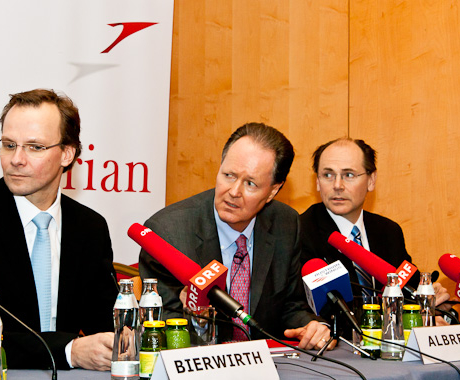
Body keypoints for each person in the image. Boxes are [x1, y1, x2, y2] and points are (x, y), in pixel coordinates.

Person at [0, 89, 118, 370]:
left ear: (67, 153)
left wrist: (120, 338)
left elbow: (103, 322)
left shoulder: (90, 227)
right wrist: (69, 350)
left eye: (35, 147)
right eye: (8, 144)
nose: (16, 159)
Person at [139, 122, 333, 350]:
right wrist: (197, 319)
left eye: (250, 183)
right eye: (229, 175)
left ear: (273, 190)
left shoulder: (286, 224)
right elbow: (159, 326)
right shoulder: (167, 233)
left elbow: (291, 306)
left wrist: (311, 326)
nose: (233, 191)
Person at [299, 137, 450, 330]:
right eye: (328, 175)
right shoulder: (301, 231)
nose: (337, 185)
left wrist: (430, 300)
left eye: (349, 175)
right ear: (317, 182)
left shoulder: (388, 231)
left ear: (371, 180)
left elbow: (407, 290)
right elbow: (302, 308)